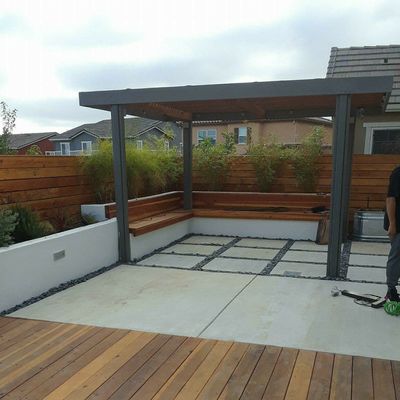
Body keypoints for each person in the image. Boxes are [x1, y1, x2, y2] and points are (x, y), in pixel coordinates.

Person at [384, 165, 400, 302]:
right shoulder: (398, 173)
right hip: (398, 225)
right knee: (397, 256)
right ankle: (391, 289)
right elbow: (390, 199)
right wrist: (392, 224)